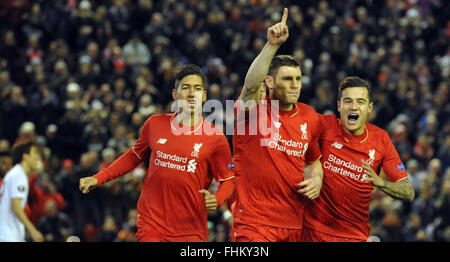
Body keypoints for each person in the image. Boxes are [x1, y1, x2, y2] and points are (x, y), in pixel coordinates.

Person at [79, 64, 235, 242]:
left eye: (197, 88)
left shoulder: (215, 137)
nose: (192, 93)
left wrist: (218, 199)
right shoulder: (154, 124)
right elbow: (134, 156)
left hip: (190, 230)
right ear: (175, 95)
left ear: (205, 96)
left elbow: (228, 179)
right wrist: (99, 178)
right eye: (185, 87)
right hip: (152, 224)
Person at [230, 8, 324, 242]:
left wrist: (317, 180)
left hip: (294, 225)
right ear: (269, 82)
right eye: (287, 79)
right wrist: (271, 46)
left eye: (298, 79)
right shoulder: (252, 113)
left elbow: (313, 162)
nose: (295, 85)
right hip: (254, 225)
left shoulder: (310, 117)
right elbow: (251, 87)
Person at [302, 76, 415, 242]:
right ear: (339, 106)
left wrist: (380, 183)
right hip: (313, 232)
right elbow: (290, 118)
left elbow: (408, 192)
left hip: (354, 236)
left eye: (360, 102)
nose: (354, 107)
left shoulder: (381, 139)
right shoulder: (325, 125)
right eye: (348, 101)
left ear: (369, 108)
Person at [0, 140, 44, 242]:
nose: (37, 157)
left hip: (7, 234)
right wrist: (33, 230)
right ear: (25, 156)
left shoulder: (14, 173)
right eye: (34, 153)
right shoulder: (19, 175)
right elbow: (16, 207)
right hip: (9, 236)